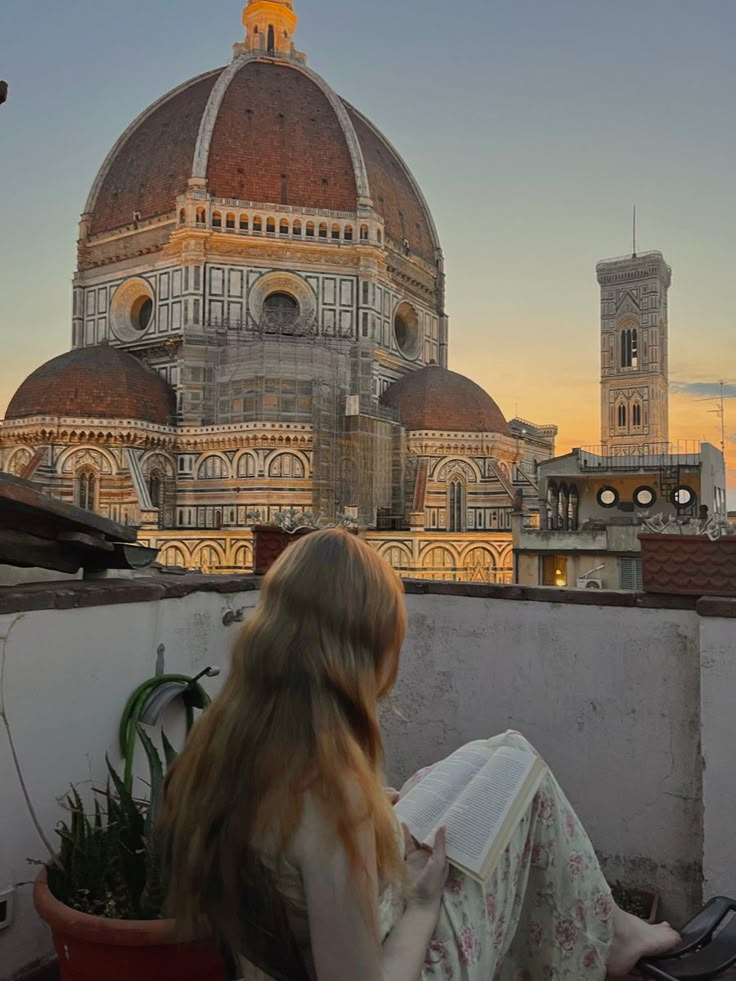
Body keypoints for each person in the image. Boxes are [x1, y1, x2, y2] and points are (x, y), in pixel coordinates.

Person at [159, 529, 679, 980]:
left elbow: (294, 862)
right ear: (363, 647)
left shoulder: (221, 743)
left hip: (310, 943)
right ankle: (613, 935)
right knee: (525, 781)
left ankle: (611, 926)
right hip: (405, 953)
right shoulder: (327, 788)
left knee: (501, 752)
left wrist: (375, 824)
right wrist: (424, 900)